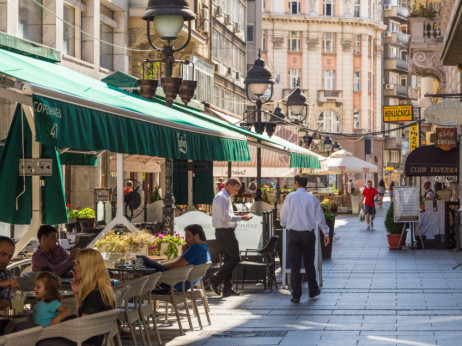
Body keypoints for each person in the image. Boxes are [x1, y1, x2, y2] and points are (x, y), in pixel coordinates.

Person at [280, 174, 330, 304]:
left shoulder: (290, 197)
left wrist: (284, 224)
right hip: (308, 235)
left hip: (294, 234)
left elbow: (283, 215)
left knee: (294, 265)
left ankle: (296, 295)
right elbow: (320, 217)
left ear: (296, 183)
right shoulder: (312, 198)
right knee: (309, 263)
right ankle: (313, 290)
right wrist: (326, 233)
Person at [209, 178, 252, 297]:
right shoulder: (222, 197)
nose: (236, 192)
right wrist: (241, 218)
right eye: (235, 189)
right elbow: (225, 218)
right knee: (235, 258)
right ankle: (215, 279)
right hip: (224, 232)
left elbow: (227, 216)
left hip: (225, 231)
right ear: (228, 186)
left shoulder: (224, 197)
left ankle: (227, 288)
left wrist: (238, 215)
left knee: (229, 259)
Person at [139, 224, 211, 294]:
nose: (186, 240)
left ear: (197, 236)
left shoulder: (196, 247)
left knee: (141, 258)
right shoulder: (205, 247)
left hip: (173, 283)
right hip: (183, 284)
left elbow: (176, 265)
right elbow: (185, 266)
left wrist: (162, 266)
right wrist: (184, 252)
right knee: (145, 269)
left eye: (188, 236)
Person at [0, 236, 19, 310]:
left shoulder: (6, 274)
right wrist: (1, 283)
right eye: (3, 254)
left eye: (9, 257)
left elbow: (5, 304)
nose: (6, 261)